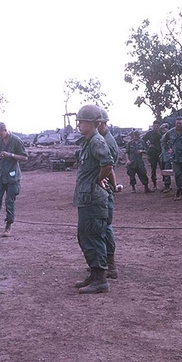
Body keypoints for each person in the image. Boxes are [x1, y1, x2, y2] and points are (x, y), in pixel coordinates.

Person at [72, 105, 114, 294]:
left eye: (81, 121)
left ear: (91, 123)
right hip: (86, 198)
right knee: (85, 236)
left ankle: (100, 280)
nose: (79, 125)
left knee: (93, 237)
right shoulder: (88, 142)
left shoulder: (97, 141)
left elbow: (108, 163)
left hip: (94, 199)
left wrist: (97, 180)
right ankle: (95, 274)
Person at [96, 106, 123, 279]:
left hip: (104, 191)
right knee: (102, 227)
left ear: (100, 123)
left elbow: (109, 167)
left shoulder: (106, 141)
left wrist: (101, 181)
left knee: (105, 227)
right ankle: (104, 263)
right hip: (104, 189)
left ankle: (110, 265)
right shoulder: (103, 138)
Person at [162, 116, 182, 201]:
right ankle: (181, 191)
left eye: (180, 123)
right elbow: (163, 141)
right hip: (175, 157)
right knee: (177, 174)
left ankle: (180, 190)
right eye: (177, 123)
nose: (178, 125)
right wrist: (168, 149)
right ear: (175, 123)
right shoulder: (170, 132)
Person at [143, 121, 162, 191]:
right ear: (153, 126)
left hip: (160, 153)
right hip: (152, 153)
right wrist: (148, 146)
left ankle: (166, 184)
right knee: (153, 169)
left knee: (163, 169)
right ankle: (154, 185)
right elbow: (143, 140)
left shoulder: (161, 133)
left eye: (157, 126)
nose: (156, 127)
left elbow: (166, 141)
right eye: (154, 126)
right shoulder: (149, 134)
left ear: (159, 126)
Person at [158, 123, 172, 193]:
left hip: (168, 156)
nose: (163, 130)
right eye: (162, 129)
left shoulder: (170, 136)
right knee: (163, 170)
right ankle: (165, 184)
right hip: (163, 155)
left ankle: (167, 185)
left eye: (164, 128)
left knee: (167, 170)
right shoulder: (163, 136)